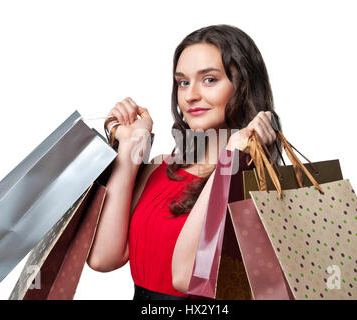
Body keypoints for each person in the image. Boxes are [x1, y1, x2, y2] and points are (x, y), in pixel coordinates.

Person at [86, 24, 282, 300]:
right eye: (183, 82)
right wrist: (130, 147)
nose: (190, 95)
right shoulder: (159, 168)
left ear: (244, 86)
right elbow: (103, 258)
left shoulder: (255, 185)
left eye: (209, 79)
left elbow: (186, 276)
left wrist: (230, 160)